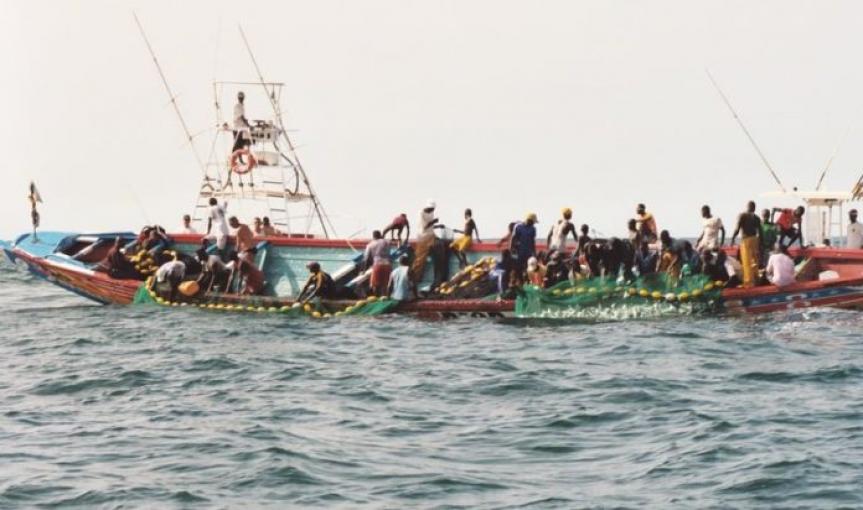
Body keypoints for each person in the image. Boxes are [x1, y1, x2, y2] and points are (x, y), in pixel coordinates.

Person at [730, 201, 762, 288]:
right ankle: (756, 280)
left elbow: (737, 228)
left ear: (747, 206)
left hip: (746, 240)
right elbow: (760, 232)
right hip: (755, 240)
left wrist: (732, 238)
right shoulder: (757, 218)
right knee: (755, 261)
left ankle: (748, 283)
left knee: (747, 261)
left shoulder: (742, 215)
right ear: (754, 208)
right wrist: (761, 244)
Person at [410, 201, 439, 286]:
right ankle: (415, 278)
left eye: (433, 209)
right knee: (419, 260)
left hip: (431, 235)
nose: (432, 211)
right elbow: (425, 227)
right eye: (430, 209)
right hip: (423, 237)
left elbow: (430, 227)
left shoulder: (431, 213)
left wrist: (436, 225)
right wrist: (434, 222)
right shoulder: (421, 214)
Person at [510, 213, 538, 285]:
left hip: (528, 252)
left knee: (529, 269)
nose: (533, 224)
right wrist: (512, 248)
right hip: (519, 252)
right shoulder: (518, 227)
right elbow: (513, 238)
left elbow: (532, 241)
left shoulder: (533, 229)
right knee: (518, 269)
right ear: (529, 220)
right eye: (533, 222)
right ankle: (519, 283)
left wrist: (534, 252)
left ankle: (528, 283)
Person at [364, 230, 392, 296]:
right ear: (380, 235)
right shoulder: (386, 242)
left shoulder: (370, 245)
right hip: (387, 264)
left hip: (377, 265)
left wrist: (364, 269)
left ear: (373, 236)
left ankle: (376, 299)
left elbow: (367, 258)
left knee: (375, 285)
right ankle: (385, 299)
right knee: (385, 285)